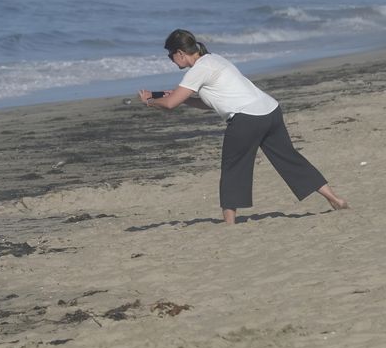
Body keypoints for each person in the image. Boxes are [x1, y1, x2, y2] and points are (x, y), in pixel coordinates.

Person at [138, 28, 349, 225]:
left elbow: (169, 104)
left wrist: (149, 101)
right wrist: (184, 99)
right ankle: (335, 199)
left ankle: (229, 224)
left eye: (170, 56)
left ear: (181, 53)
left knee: (233, 169)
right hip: (270, 111)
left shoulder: (197, 70)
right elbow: (209, 103)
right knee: (290, 159)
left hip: (247, 118)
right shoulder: (214, 59)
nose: (171, 61)